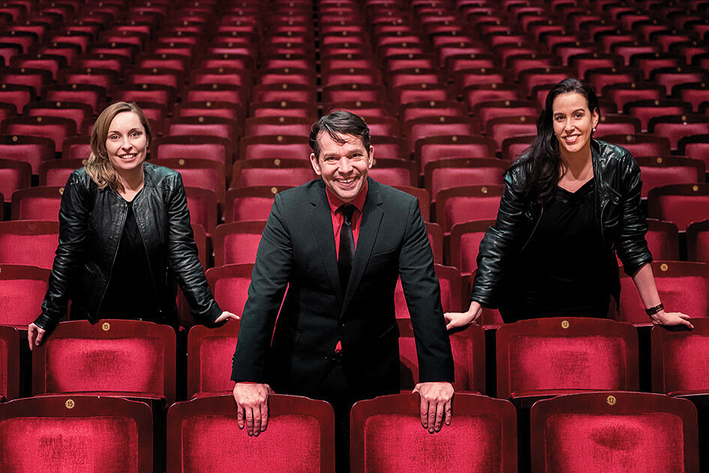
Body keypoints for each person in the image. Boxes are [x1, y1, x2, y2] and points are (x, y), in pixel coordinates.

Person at [231, 111, 454, 471]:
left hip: (372, 370)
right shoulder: (288, 209)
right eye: (332, 158)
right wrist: (248, 375)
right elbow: (264, 293)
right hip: (298, 368)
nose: (345, 168)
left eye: (354, 155)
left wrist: (436, 374)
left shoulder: (402, 210)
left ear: (371, 156)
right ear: (316, 163)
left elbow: (423, 294)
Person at [445, 78, 693, 329]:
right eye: (560, 118)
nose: (569, 127)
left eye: (578, 115)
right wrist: (473, 310)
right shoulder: (526, 173)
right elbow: (501, 239)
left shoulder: (619, 165)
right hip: (529, 297)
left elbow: (631, 242)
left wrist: (657, 312)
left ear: (594, 118)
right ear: (551, 123)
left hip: (591, 294)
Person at [27, 101, 237, 349]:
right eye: (115, 137)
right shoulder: (82, 183)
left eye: (135, 134)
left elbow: (182, 253)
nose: (126, 145)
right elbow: (69, 253)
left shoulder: (169, 183)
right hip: (95, 314)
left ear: (147, 139)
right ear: (103, 145)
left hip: (155, 314)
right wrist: (50, 314)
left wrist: (208, 310)